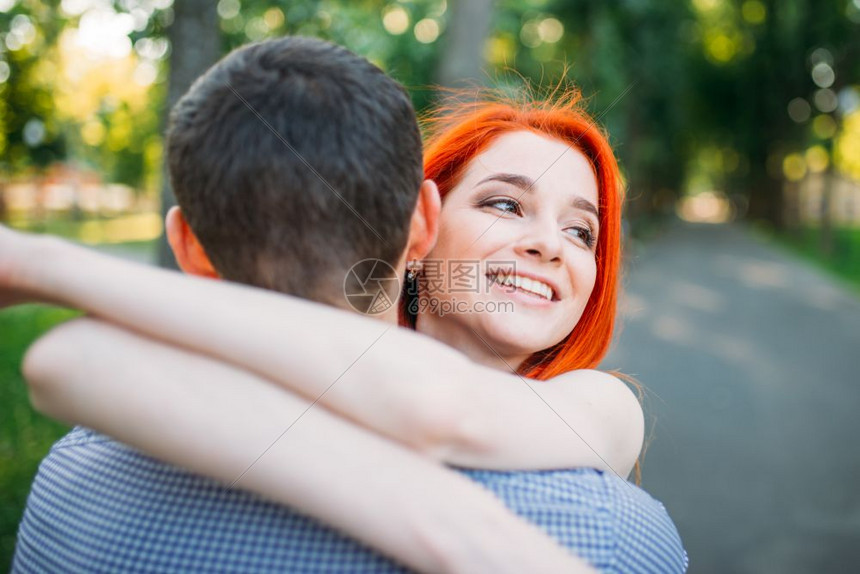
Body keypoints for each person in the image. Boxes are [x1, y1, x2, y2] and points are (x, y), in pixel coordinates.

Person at [5, 37, 687, 572]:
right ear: (422, 222)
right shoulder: (613, 535)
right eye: (506, 203)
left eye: (582, 231)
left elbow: (436, 408)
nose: (549, 245)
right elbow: (67, 364)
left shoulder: (604, 407)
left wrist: (47, 266)